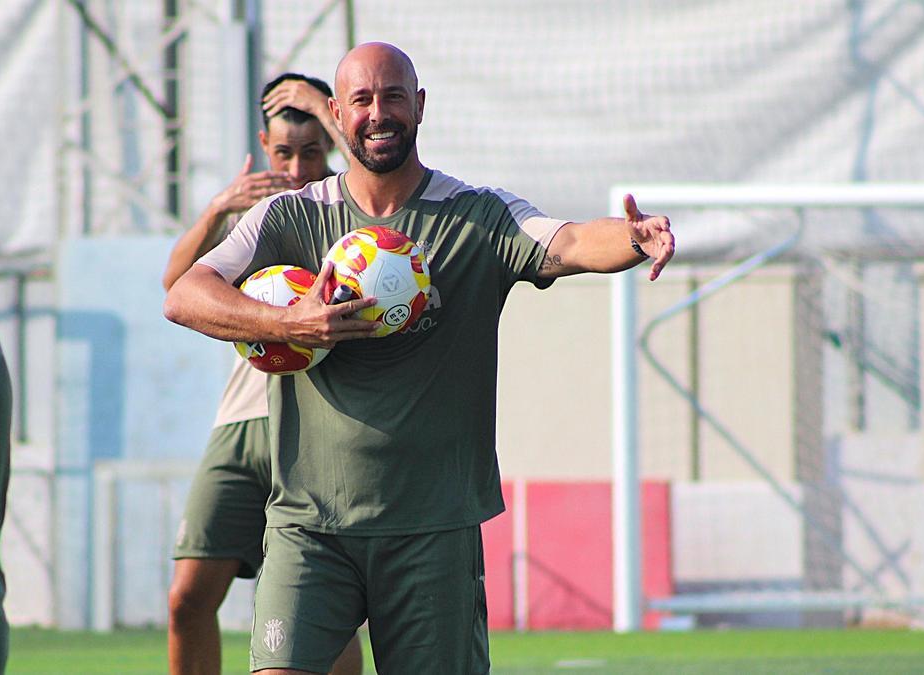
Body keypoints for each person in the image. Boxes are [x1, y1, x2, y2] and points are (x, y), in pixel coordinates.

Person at [164, 42, 674, 674]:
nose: (379, 114)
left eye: (394, 97)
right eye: (362, 100)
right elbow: (185, 294)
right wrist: (286, 321)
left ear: (420, 106)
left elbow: (566, 241)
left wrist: (631, 236)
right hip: (309, 527)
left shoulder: (475, 217)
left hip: (434, 531)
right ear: (337, 113)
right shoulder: (291, 216)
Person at [162, 73, 362, 675]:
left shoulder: (344, 209)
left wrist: (327, 117)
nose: (297, 168)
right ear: (262, 147)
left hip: (310, 430)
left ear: (330, 143)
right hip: (237, 426)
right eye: (283, 152)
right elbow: (175, 286)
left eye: (312, 151)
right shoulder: (251, 218)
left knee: (318, 611)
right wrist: (218, 207)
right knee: (187, 598)